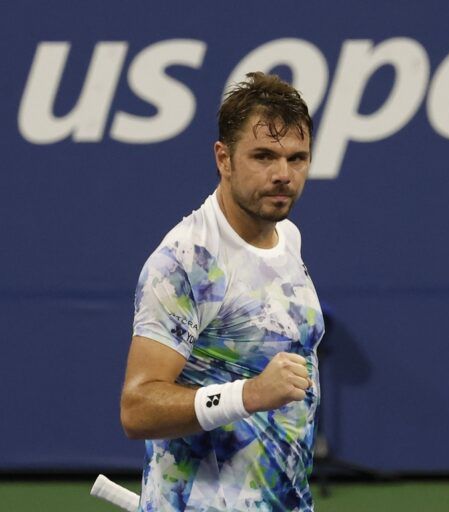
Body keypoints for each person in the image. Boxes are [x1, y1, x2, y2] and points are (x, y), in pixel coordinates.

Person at [120, 71, 325, 512]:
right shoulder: (185, 262)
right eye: (264, 156)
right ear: (224, 158)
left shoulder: (288, 237)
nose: (283, 175)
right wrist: (247, 395)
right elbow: (137, 408)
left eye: (297, 158)